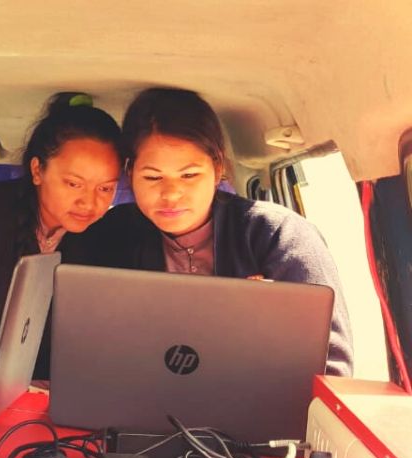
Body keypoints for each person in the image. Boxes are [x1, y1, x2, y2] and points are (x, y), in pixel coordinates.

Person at [80, 87, 353, 376]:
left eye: (189, 175)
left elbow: (330, 369)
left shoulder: (279, 236)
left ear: (217, 166)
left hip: (259, 413)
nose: (171, 194)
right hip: (134, 410)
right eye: (152, 177)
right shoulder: (108, 236)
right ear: (130, 172)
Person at [0, 92, 123, 377]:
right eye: (73, 184)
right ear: (37, 170)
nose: (90, 203)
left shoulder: (99, 238)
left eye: (105, 189)